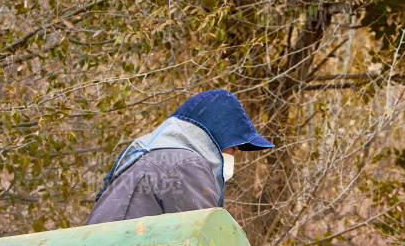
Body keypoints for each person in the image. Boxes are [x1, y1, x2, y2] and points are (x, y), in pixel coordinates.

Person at [84, 88, 274, 226]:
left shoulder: (150, 156)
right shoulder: (185, 164)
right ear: (215, 140)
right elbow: (208, 241)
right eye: (233, 149)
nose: (234, 156)